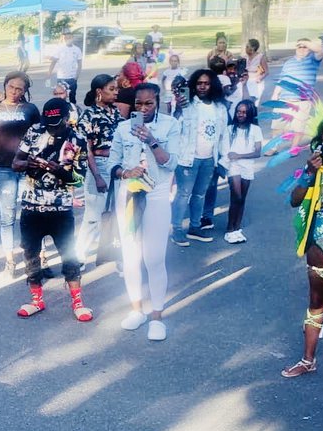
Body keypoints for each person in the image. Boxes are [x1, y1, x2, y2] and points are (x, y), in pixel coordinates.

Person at [281, 113, 323, 395]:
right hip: (318, 239)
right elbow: (294, 200)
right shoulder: (317, 165)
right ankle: (308, 360)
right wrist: (310, 173)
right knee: (316, 302)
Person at [108, 83, 181, 341]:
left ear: (158, 102)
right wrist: (124, 173)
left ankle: (157, 316)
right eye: (138, 104)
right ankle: (136, 309)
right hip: (128, 193)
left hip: (157, 194)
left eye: (148, 103)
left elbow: (171, 162)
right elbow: (111, 162)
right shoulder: (122, 127)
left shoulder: (171, 125)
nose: (142, 108)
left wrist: (150, 139)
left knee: (154, 258)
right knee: (130, 257)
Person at [12, 99, 92, 322]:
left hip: (60, 209)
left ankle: (78, 302)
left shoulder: (77, 139)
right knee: (30, 253)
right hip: (31, 206)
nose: (51, 127)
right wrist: (30, 164)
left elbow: (78, 181)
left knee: (69, 254)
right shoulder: (35, 130)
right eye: (48, 122)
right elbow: (15, 164)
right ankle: (36, 300)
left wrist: (59, 172)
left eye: (56, 123)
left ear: (67, 119)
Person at [0, 74, 40, 276]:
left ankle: (35, 257)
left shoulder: (30, 109)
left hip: (26, 168)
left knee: (30, 215)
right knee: (7, 217)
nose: (14, 91)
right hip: (3, 169)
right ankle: (10, 260)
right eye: (11, 87)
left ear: (25, 91)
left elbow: (40, 135)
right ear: (5, 86)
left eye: (19, 88)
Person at [170, 68, 230, 245]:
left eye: (206, 83)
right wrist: (179, 110)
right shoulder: (187, 105)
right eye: (199, 83)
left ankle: (195, 227)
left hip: (209, 159)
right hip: (187, 158)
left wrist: (223, 159)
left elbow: (223, 135)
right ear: (194, 85)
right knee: (183, 194)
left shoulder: (220, 108)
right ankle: (177, 229)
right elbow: (175, 127)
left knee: (199, 195)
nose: (202, 87)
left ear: (212, 86)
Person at [76, 74, 120, 266]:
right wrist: (97, 176)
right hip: (99, 166)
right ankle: (78, 256)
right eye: (112, 89)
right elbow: (87, 149)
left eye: (116, 88)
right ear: (99, 92)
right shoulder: (89, 115)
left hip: (117, 165)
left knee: (115, 211)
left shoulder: (115, 112)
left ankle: (113, 252)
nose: (116, 92)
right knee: (93, 216)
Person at [223, 100, 262, 243]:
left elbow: (258, 152)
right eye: (238, 111)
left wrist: (239, 155)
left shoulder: (255, 129)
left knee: (242, 199)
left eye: (244, 112)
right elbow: (226, 151)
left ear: (250, 113)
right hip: (233, 166)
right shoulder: (229, 129)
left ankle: (237, 228)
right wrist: (232, 158)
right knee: (236, 197)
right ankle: (229, 230)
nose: (240, 114)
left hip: (247, 166)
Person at [272, 37, 323, 101]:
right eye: (299, 47)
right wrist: (275, 95)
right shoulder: (288, 62)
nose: (302, 49)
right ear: (296, 48)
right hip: (283, 101)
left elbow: (320, 50)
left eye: (305, 47)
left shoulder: (313, 60)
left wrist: (302, 42)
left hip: (302, 102)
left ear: (310, 49)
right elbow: (281, 80)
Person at [45, 30, 82, 102]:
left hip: (72, 78)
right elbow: (53, 62)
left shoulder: (77, 49)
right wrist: (49, 73)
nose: (68, 40)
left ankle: (73, 111)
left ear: (72, 38)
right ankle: (62, 111)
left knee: (72, 97)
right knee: (61, 97)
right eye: (66, 38)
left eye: (70, 37)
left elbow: (79, 63)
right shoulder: (59, 49)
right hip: (62, 77)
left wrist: (77, 76)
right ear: (64, 39)